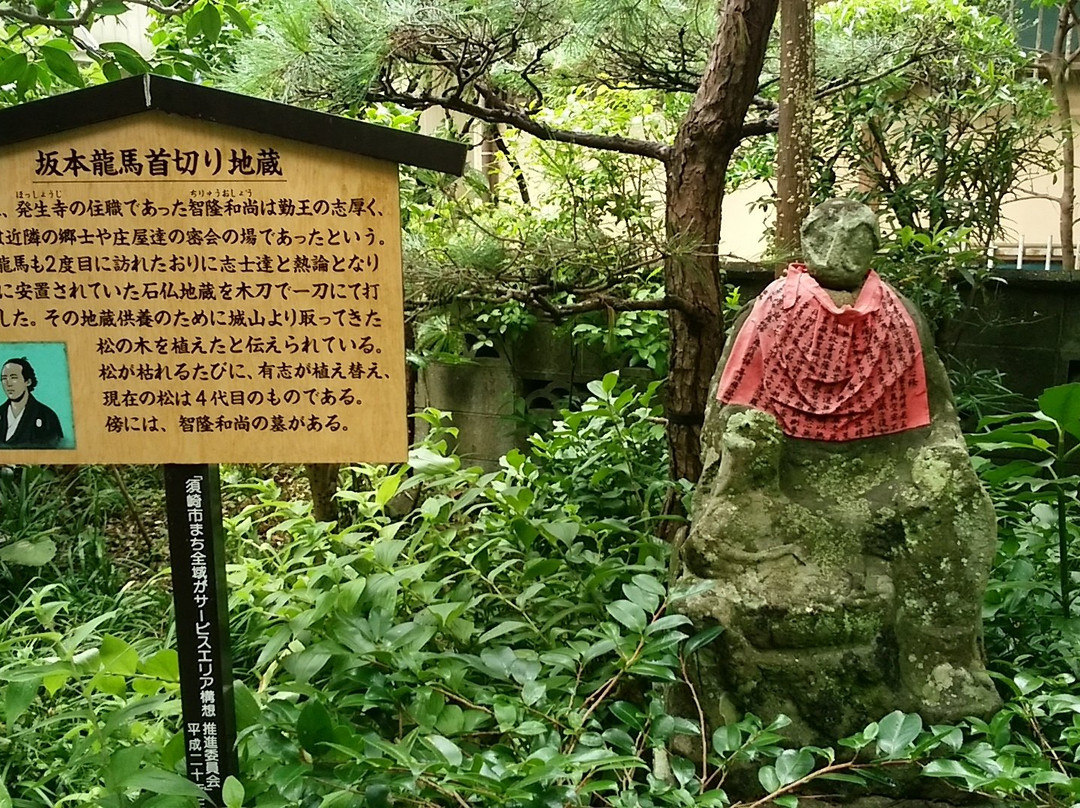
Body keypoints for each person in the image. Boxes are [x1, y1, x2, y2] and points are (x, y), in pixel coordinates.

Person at [0, 357, 63, 449]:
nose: (8, 383)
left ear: (28, 381)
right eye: (4, 378)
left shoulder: (47, 416)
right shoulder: (1, 412)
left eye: (14, 377)